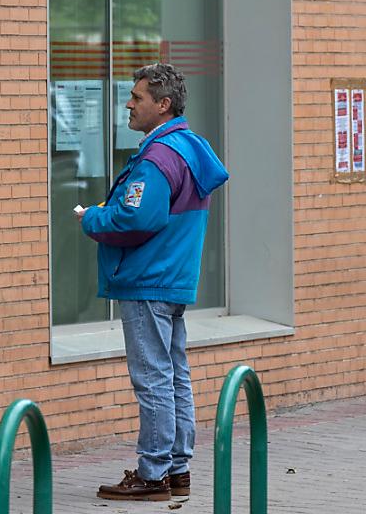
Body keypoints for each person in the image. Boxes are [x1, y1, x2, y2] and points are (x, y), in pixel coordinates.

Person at [77, 63, 229, 501]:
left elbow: (136, 218)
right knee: (174, 375)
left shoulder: (158, 157)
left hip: (148, 280)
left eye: (137, 97)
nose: (128, 103)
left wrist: (93, 218)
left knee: (153, 378)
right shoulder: (188, 147)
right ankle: (176, 468)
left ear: (163, 105)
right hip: (172, 279)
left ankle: (153, 472)